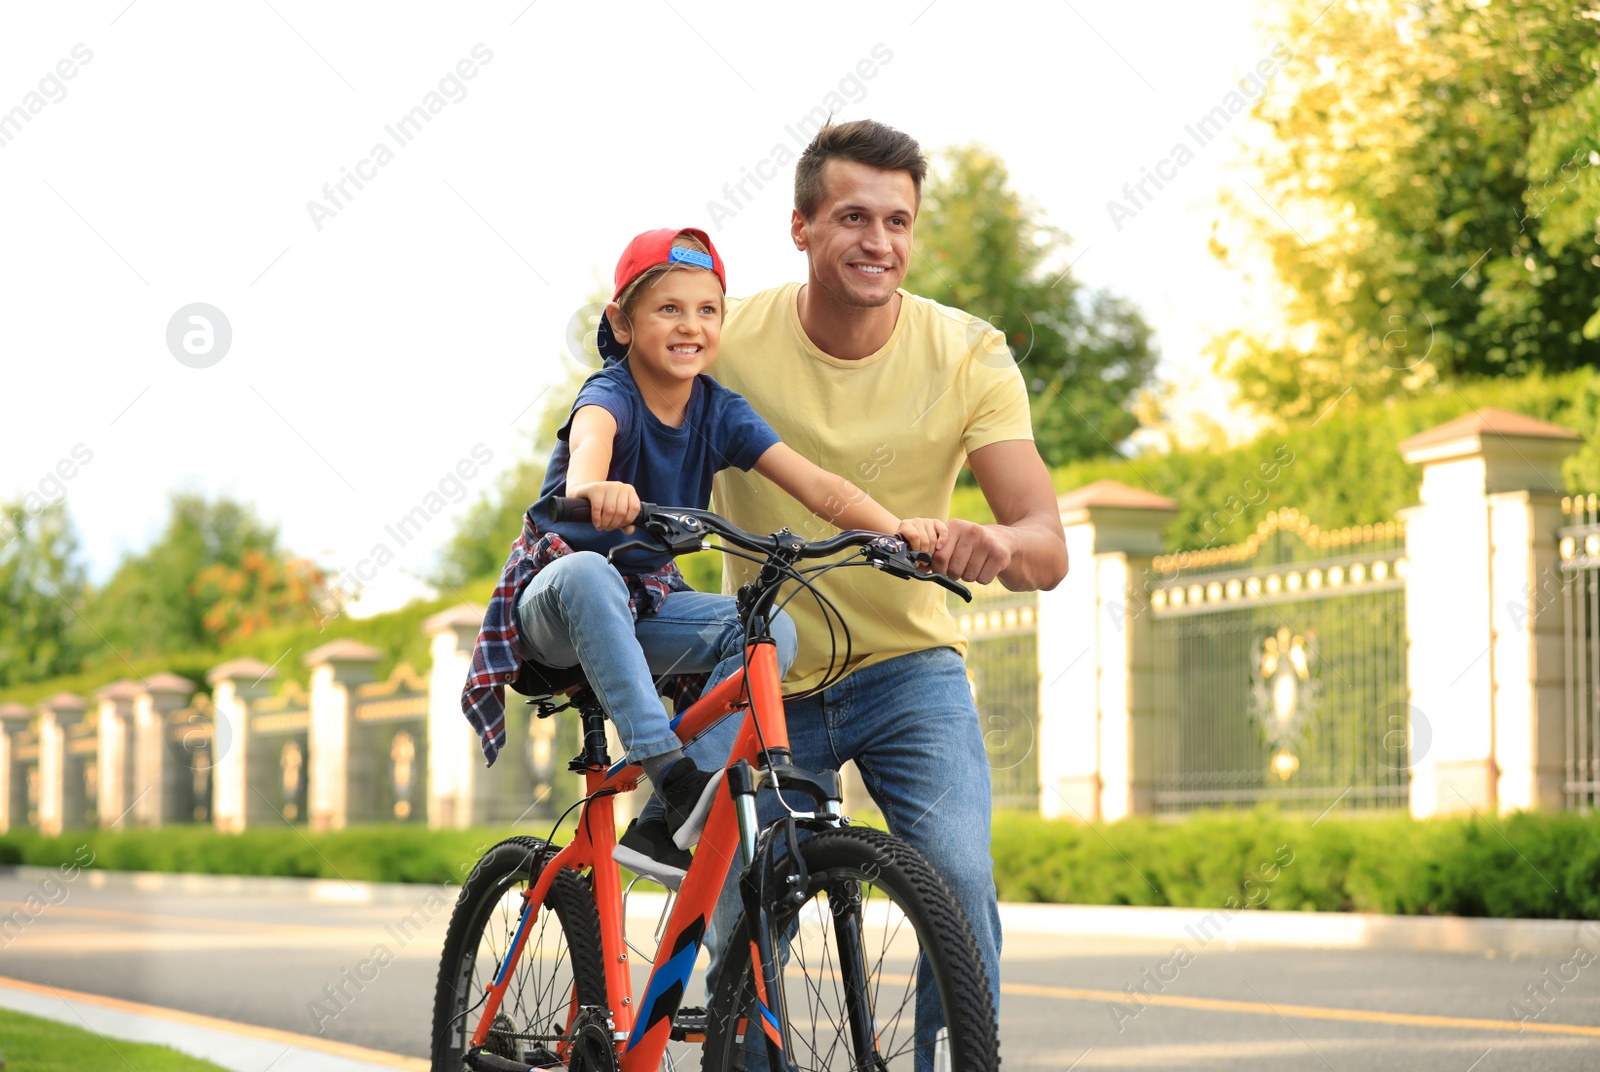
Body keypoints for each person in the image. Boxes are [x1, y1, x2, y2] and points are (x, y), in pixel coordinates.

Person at [674, 119, 1069, 1067]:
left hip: (908, 671)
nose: (878, 243)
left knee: (959, 880)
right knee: (745, 916)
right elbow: (641, 448)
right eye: (854, 217)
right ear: (802, 226)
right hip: (767, 668)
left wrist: (991, 540)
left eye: (898, 221)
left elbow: (1045, 547)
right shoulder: (727, 342)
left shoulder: (967, 353)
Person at [460, 226, 947, 888]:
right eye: (668, 308)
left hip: (648, 604)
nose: (691, 325)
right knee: (589, 572)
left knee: (769, 626)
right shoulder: (610, 395)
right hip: (557, 605)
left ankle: (663, 820)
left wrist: (896, 534)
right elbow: (588, 450)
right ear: (622, 323)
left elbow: (820, 487)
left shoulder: (720, 412)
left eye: (708, 310)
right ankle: (671, 770)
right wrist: (594, 492)